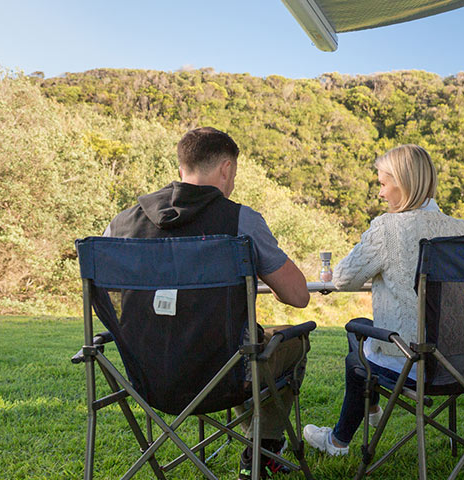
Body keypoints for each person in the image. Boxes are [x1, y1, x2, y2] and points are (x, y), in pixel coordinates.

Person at [103, 127, 310, 479]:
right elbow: (298, 296)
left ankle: (256, 444)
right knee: (293, 340)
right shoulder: (240, 220)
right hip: (224, 377)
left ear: (182, 165)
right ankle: (262, 450)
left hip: (146, 379)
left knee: (253, 344)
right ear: (226, 169)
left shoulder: (122, 223)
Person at [302, 144, 464, 456]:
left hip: (416, 363)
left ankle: (339, 440)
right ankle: (372, 407)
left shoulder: (388, 227)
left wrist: (378, 267)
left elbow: (342, 278)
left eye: (382, 183)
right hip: (460, 361)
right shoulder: (460, 228)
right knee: (361, 330)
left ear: (403, 183)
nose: (380, 193)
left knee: (356, 360)